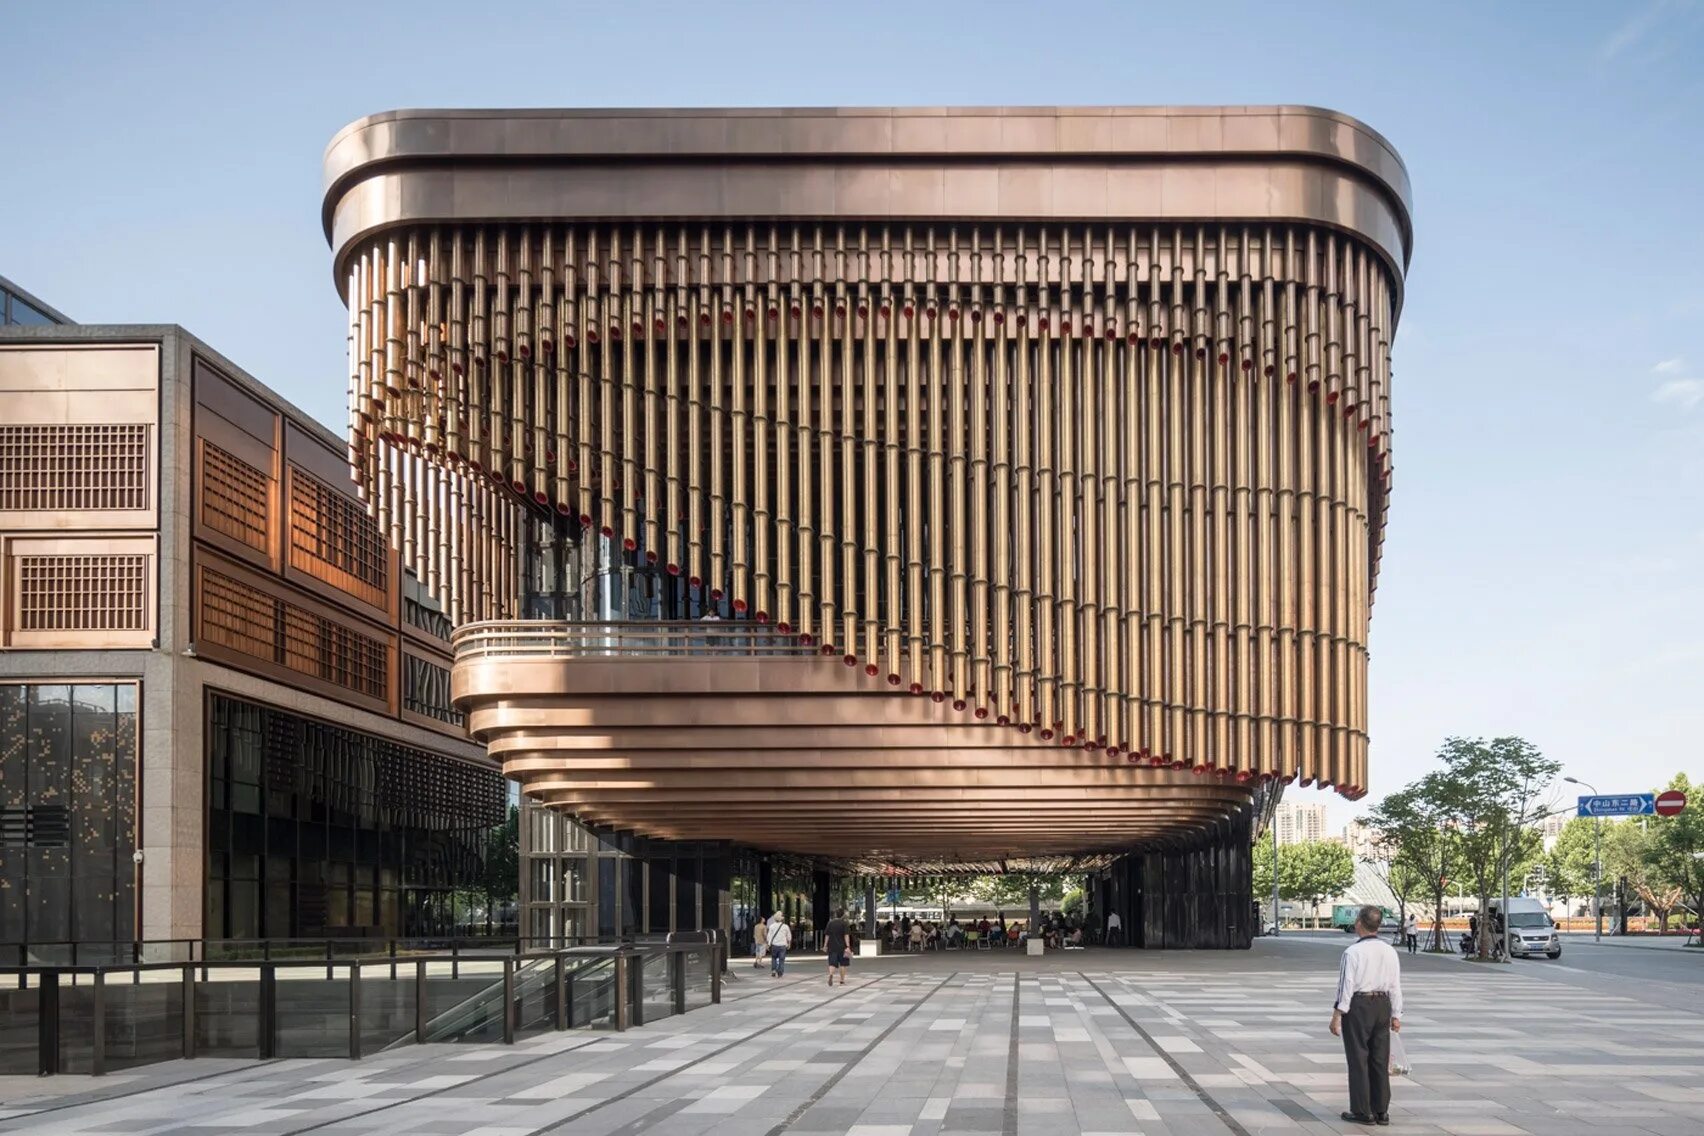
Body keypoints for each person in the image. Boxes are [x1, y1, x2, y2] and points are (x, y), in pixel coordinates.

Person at [1330, 904, 1403, 1126]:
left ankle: (1362, 1110)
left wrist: (1337, 1014)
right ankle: (1381, 1110)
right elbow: (1395, 985)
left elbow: (1346, 986)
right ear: (1378, 925)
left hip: (1359, 1005)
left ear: (1359, 923)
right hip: (1383, 1004)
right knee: (1380, 1058)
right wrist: (1396, 1014)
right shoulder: (1390, 951)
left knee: (1358, 1058)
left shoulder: (1352, 952)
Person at [824, 908, 852, 986]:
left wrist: (825, 945)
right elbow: (846, 936)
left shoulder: (830, 923)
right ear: (843, 914)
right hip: (842, 947)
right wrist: (848, 946)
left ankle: (831, 974)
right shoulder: (844, 923)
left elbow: (827, 935)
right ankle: (842, 980)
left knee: (832, 963)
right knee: (843, 964)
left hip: (832, 947)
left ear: (835, 914)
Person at [769, 912, 793, 977]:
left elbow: (769, 936)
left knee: (774, 958)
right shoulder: (785, 926)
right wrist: (789, 943)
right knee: (781, 959)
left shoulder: (772, 926)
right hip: (782, 945)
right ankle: (780, 972)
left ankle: (773, 970)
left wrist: (768, 944)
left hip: (774, 945)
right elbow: (789, 936)